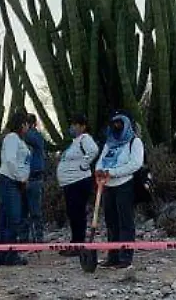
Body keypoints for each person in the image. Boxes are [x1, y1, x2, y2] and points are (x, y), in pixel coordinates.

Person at [94, 111, 145, 269]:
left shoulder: (134, 142)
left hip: (124, 185)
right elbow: (101, 160)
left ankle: (125, 258)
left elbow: (135, 164)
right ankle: (113, 256)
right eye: (114, 122)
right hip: (107, 186)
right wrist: (99, 171)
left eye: (120, 122)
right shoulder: (109, 143)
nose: (116, 125)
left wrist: (112, 172)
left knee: (125, 222)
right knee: (111, 222)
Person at [56, 115, 100, 257]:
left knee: (77, 213)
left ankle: (78, 244)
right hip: (70, 183)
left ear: (83, 126)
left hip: (79, 181)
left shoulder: (85, 139)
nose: (72, 127)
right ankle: (75, 242)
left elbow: (93, 150)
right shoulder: (74, 142)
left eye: (75, 124)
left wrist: (83, 165)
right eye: (72, 124)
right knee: (73, 213)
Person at [0, 113, 33, 266]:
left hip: (14, 181)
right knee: (13, 218)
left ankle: (2, 254)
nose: (28, 127)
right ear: (20, 124)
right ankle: (10, 254)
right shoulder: (11, 138)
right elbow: (10, 160)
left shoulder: (19, 140)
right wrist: (20, 178)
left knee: (6, 218)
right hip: (10, 181)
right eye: (26, 124)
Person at [23, 115, 47, 242]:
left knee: (35, 211)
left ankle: (38, 238)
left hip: (34, 177)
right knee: (24, 212)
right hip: (23, 178)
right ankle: (24, 239)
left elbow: (31, 138)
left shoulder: (35, 136)